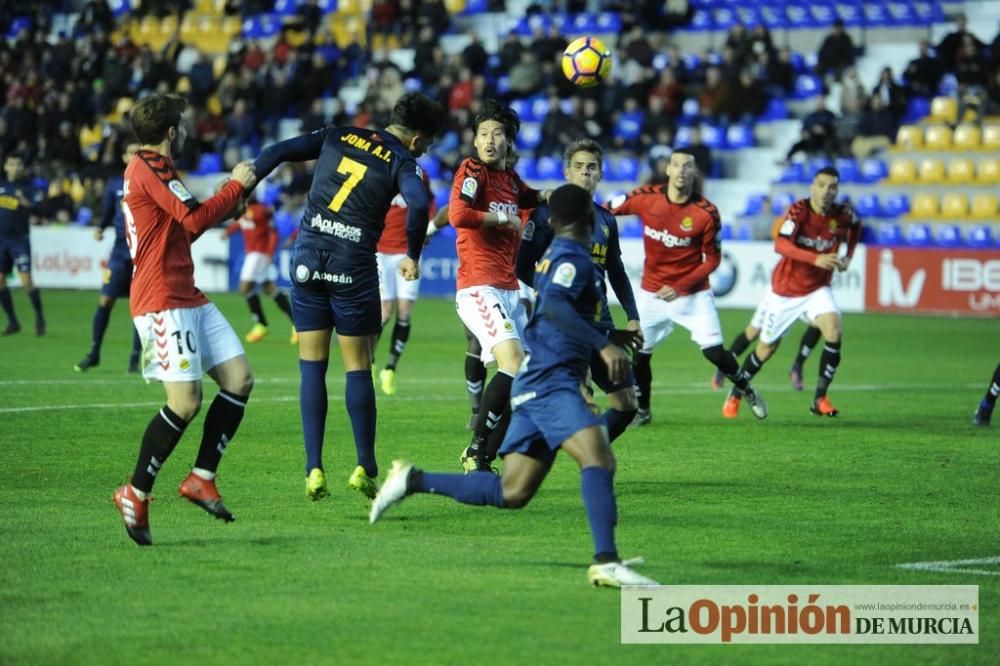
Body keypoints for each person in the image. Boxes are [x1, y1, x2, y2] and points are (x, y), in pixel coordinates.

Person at [369, 184, 658, 588]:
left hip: (537, 382)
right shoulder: (572, 258)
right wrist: (601, 347)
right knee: (599, 459)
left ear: (554, 222)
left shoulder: (555, 256)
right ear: (591, 222)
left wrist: (609, 337)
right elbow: (555, 307)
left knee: (513, 491)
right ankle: (606, 560)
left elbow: (554, 314)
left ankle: (413, 480)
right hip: (551, 383)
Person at [250, 92, 445, 501]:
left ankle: (314, 469)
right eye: (426, 144)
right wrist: (412, 253)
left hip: (307, 260)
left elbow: (280, 150)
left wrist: (248, 177)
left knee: (311, 367)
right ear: (416, 139)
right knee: (357, 367)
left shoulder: (337, 135)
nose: (424, 151)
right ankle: (363, 466)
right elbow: (418, 203)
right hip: (352, 267)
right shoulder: (402, 160)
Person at [112, 94, 258, 546]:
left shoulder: (157, 170)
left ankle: (201, 477)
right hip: (160, 300)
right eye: (184, 124)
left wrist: (230, 202)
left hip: (185, 293)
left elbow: (186, 225)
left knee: (239, 378)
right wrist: (234, 187)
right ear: (173, 130)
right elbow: (193, 218)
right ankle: (134, 492)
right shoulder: (149, 165)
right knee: (185, 402)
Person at [607, 149, 767, 426]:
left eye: (687, 166)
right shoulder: (646, 198)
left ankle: (745, 388)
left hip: (693, 294)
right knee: (640, 354)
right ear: (668, 169)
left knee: (714, 352)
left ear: (694, 173)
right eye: (676, 165)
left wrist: (680, 286)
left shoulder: (706, 213)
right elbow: (605, 209)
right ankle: (643, 410)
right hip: (652, 293)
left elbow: (713, 259)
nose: (681, 170)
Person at [516, 138, 641, 445]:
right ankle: (583, 457)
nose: (586, 173)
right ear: (567, 172)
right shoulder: (546, 215)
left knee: (626, 404)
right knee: (579, 395)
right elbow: (522, 266)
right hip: (562, 322)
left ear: (600, 173)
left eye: (592, 167)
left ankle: (581, 447)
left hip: (601, 321)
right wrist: (551, 291)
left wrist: (633, 316)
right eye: (579, 167)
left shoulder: (606, 219)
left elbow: (616, 270)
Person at [450, 99, 545, 473]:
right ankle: (476, 449)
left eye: (498, 134)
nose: (490, 140)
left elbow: (527, 196)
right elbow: (458, 214)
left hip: (507, 287)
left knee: (520, 377)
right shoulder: (473, 170)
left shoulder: (509, 178)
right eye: (484, 134)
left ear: (509, 142)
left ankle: (484, 458)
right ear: (475, 141)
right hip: (477, 287)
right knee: (512, 363)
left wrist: (552, 196)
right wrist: (499, 219)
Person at [723, 167, 860, 419]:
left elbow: (855, 225)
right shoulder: (798, 212)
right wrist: (814, 257)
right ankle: (736, 392)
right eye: (821, 185)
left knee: (834, 329)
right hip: (785, 291)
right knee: (766, 348)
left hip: (817, 288)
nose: (826, 191)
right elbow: (781, 244)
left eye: (832, 187)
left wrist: (848, 256)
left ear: (837, 190)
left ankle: (819, 398)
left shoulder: (842, 214)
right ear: (812, 187)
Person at [712, 209, 822, 392]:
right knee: (754, 331)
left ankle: (797, 366)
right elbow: (779, 237)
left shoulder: (819, 231)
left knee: (820, 322)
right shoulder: (794, 226)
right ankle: (723, 369)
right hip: (782, 289)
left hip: (807, 289)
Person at [75, 138, 144, 373]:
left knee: (138, 306)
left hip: (141, 254)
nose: (134, 157)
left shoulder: (149, 183)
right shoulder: (115, 183)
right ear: (124, 157)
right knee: (105, 300)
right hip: (118, 252)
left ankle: (135, 358)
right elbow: (107, 212)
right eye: (130, 153)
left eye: (139, 153)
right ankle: (94, 352)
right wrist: (100, 227)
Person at [374, 166, 437, 396]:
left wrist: (427, 228)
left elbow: (429, 202)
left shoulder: (421, 173)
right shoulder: (383, 169)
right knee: (385, 311)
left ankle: (390, 369)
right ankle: (369, 358)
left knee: (405, 312)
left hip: (408, 252)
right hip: (380, 251)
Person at [222, 194, 296, 344]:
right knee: (270, 289)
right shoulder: (243, 210)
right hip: (253, 253)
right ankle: (298, 325)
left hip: (259, 254)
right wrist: (228, 232)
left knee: (244, 287)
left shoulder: (261, 211)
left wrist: (270, 252)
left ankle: (261, 324)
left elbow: (273, 232)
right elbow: (241, 223)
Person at [0, 154, 45, 336]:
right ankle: (12, 321)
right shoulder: (2, 186)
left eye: (19, 164)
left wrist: (22, 199)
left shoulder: (28, 187)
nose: (16, 167)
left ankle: (39, 317)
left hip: (19, 240)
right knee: (0, 281)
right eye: (12, 164)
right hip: (1, 241)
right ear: (6, 166)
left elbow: (37, 209)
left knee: (26, 280)